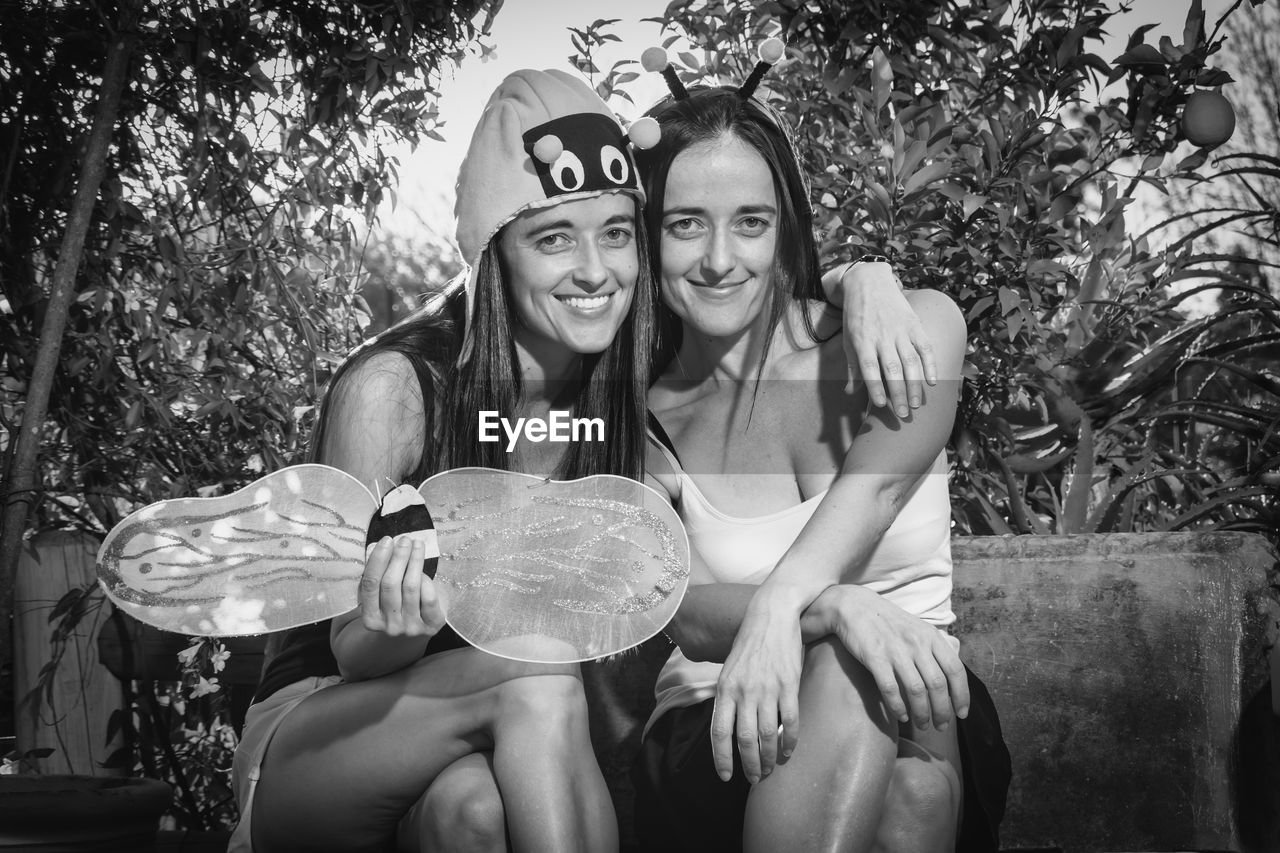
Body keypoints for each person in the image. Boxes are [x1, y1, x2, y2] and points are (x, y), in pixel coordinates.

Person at [227, 68, 656, 853]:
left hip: (493, 745)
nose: (596, 270)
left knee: (477, 814)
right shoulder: (395, 389)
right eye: (554, 236)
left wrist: (864, 284)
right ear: (497, 251)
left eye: (617, 232)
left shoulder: (619, 385)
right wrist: (401, 620)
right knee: (535, 667)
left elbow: (754, 295)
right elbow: (354, 650)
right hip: (324, 733)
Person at [630, 82, 1010, 853]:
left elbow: (875, 500)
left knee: (911, 782)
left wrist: (778, 607)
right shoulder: (646, 419)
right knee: (896, 773)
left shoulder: (914, 334)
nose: (717, 259)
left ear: (784, 230)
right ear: (648, 236)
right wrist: (833, 607)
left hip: (922, 704)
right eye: (683, 226)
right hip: (719, 718)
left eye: (750, 223)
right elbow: (679, 610)